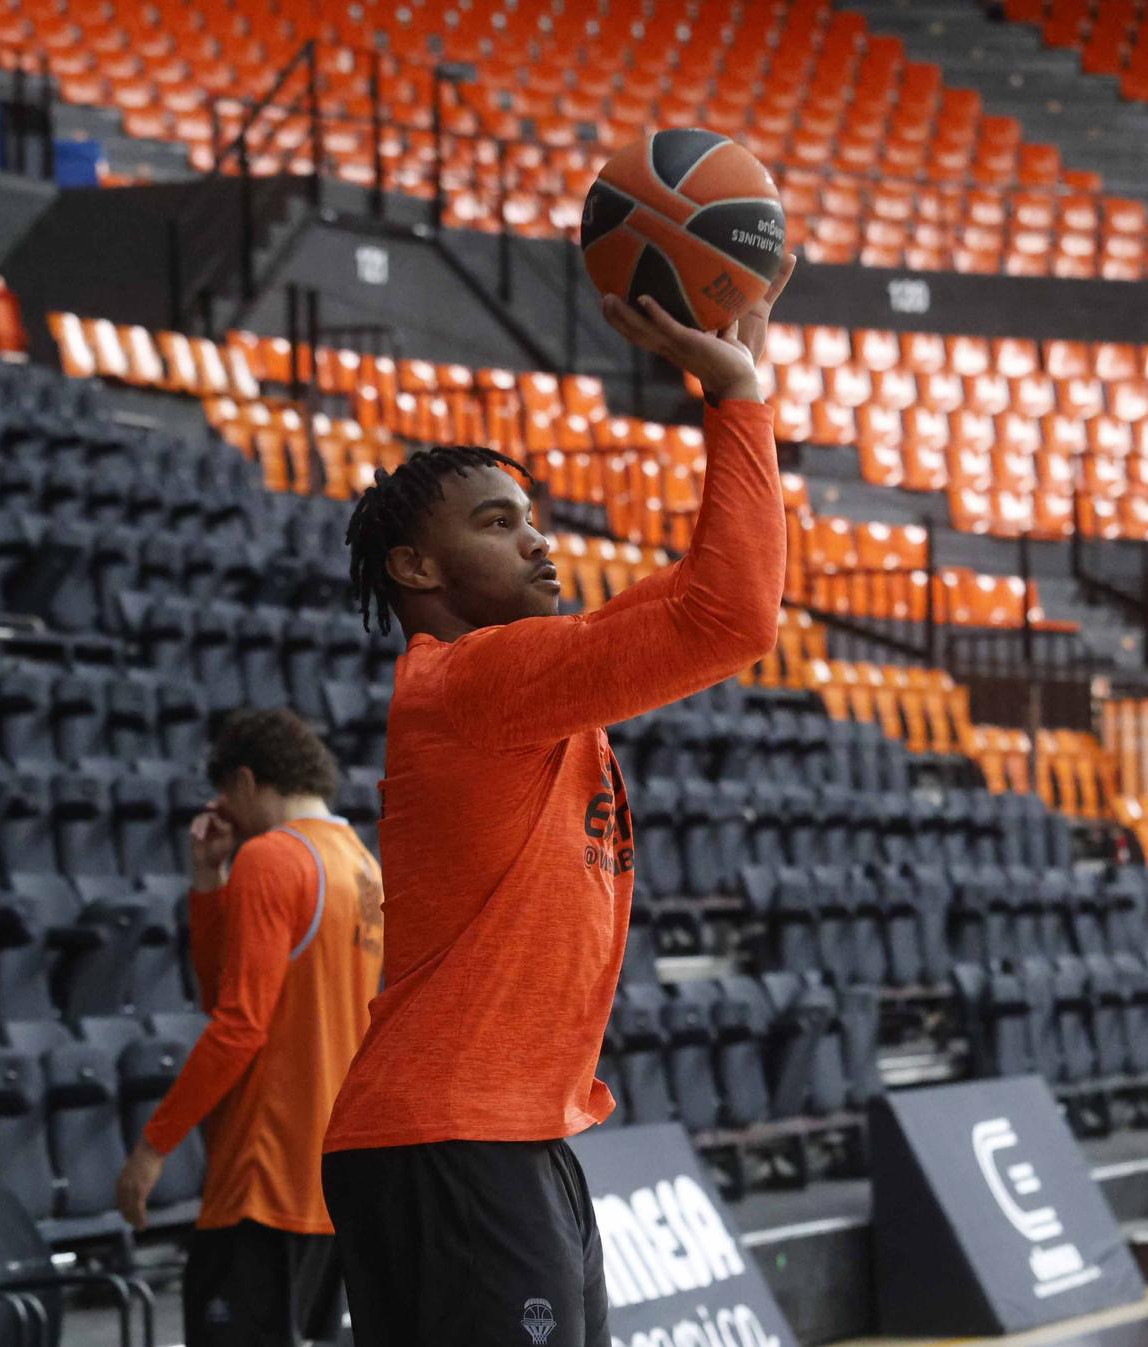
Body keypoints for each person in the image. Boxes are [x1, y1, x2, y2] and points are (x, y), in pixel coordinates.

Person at [319, 255, 796, 1347]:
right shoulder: (474, 681)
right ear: (414, 568)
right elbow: (730, 618)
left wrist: (742, 381)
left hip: (503, 1134)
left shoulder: (522, 685)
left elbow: (702, 595)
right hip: (453, 1136)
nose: (537, 538)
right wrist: (733, 399)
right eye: (495, 523)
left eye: (531, 515)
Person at [115, 707, 384, 1347]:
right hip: (333, 1186)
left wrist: (154, 1146)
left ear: (242, 780)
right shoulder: (364, 864)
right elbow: (232, 993)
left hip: (264, 1178)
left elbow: (236, 1026)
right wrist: (209, 881)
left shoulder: (272, 858)